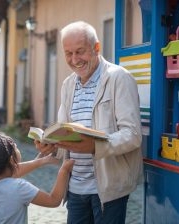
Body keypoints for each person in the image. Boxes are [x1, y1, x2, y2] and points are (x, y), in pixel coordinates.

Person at [34, 21, 143, 223]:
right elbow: (63, 130)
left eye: (80, 51)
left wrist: (95, 147)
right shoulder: (68, 85)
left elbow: (133, 135)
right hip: (74, 188)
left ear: (97, 48)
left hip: (109, 191)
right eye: (68, 53)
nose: (74, 60)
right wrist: (50, 144)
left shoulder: (119, 78)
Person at [0, 133, 74, 223]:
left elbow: (9, 178)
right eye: (16, 147)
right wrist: (64, 171)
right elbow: (53, 200)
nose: (18, 149)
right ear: (11, 160)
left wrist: (42, 155)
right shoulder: (19, 187)